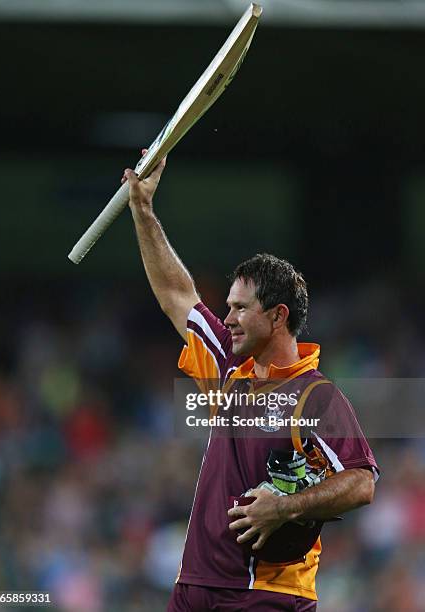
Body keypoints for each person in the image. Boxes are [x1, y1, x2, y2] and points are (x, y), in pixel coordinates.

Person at [121, 156, 379, 612]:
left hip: (267, 595)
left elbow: (361, 482)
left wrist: (285, 508)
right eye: (229, 306)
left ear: (278, 316)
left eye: (241, 308)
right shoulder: (227, 366)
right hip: (194, 586)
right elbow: (177, 294)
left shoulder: (316, 396)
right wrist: (143, 210)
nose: (228, 318)